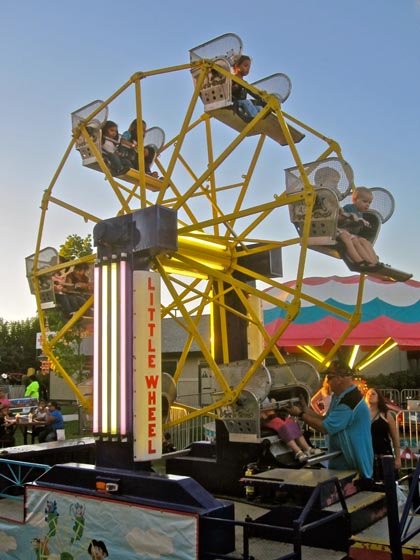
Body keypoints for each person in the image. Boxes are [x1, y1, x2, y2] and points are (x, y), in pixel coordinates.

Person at [298, 361, 374, 480]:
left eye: (329, 377)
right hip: (341, 459)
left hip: (353, 464)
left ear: (339, 378)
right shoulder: (339, 397)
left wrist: (300, 414)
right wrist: (305, 410)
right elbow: (326, 419)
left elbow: (325, 427)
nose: (327, 381)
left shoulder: (350, 402)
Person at [261, 399, 323, 463]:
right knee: (281, 424)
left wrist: (274, 403)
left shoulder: (265, 395)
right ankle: (297, 452)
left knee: (290, 422)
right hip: (266, 420)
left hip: (275, 416)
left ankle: (307, 449)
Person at [365, 387, 401, 481]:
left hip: (384, 454)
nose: (370, 396)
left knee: (387, 483)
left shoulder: (386, 414)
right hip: (367, 455)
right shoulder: (362, 415)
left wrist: (397, 458)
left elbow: (395, 437)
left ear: (378, 398)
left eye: (373, 394)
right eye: (368, 394)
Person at [231, 54, 264, 121]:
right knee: (247, 102)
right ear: (237, 66)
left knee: (259, 108)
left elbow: (252, 92)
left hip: (243, 103)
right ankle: (255, 120)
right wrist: (235, 87)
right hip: (235, 103)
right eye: (245, 66)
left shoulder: (244, 83)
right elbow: (229, 90)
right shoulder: (232, 79)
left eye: (249, 67)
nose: (248, 69)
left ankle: (262, 120)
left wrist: (262, 97)